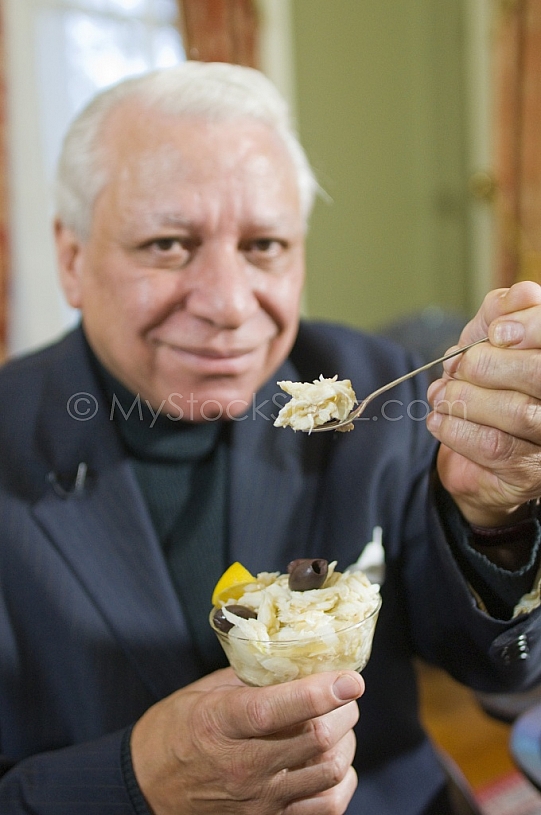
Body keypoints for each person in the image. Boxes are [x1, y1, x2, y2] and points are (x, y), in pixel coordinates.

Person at [0, 61, 540, 815]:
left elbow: (500, 667)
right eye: (167, 244)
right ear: (71, 259)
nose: (228, 304)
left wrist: (493, 516)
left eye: (263, 245)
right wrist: (132, 781)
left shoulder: (378, 385)